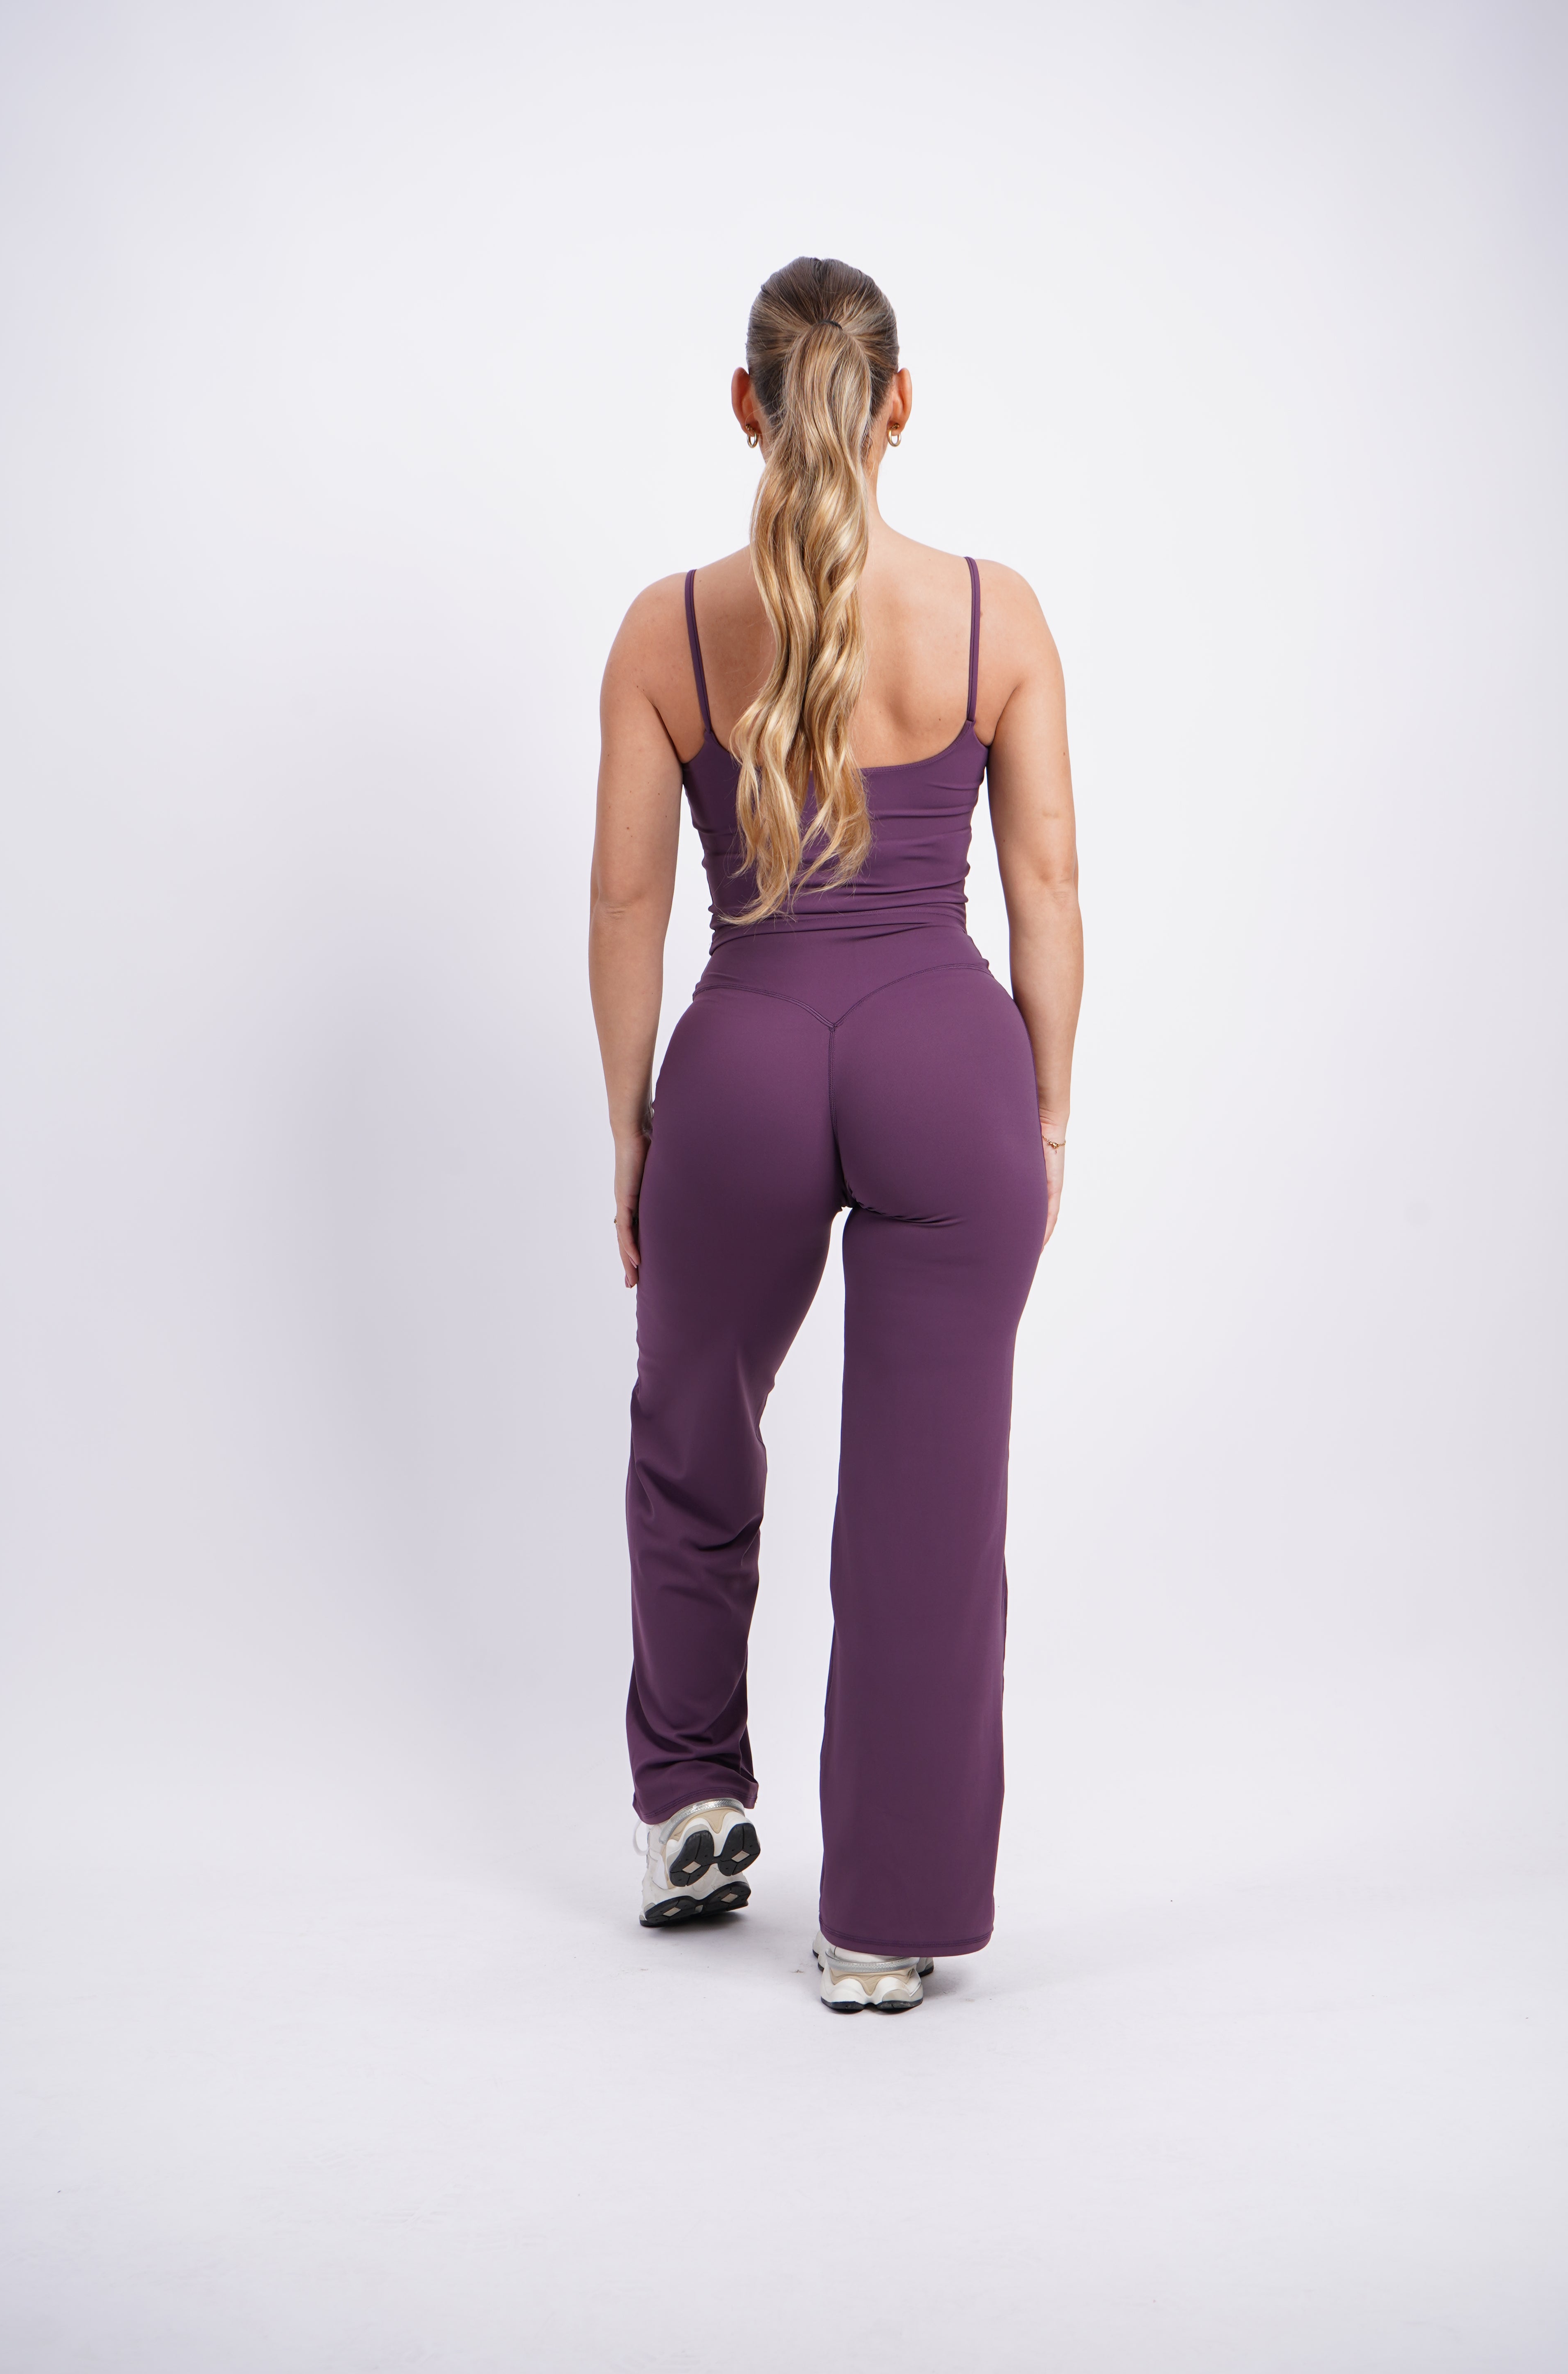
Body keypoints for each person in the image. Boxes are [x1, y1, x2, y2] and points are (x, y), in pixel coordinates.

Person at [588, 256, 1083, 2013]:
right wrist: (1044, 1111)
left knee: (692, 1421)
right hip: (948, 1057)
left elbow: (630, 902)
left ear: (747, 403)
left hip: (746, 1057)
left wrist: (634, 1128)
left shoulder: (666, 632)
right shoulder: (995, 616)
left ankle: (690, 1795)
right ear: (899, 403)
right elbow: (1047, 887)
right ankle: (882, 1923)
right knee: (929, 1500)